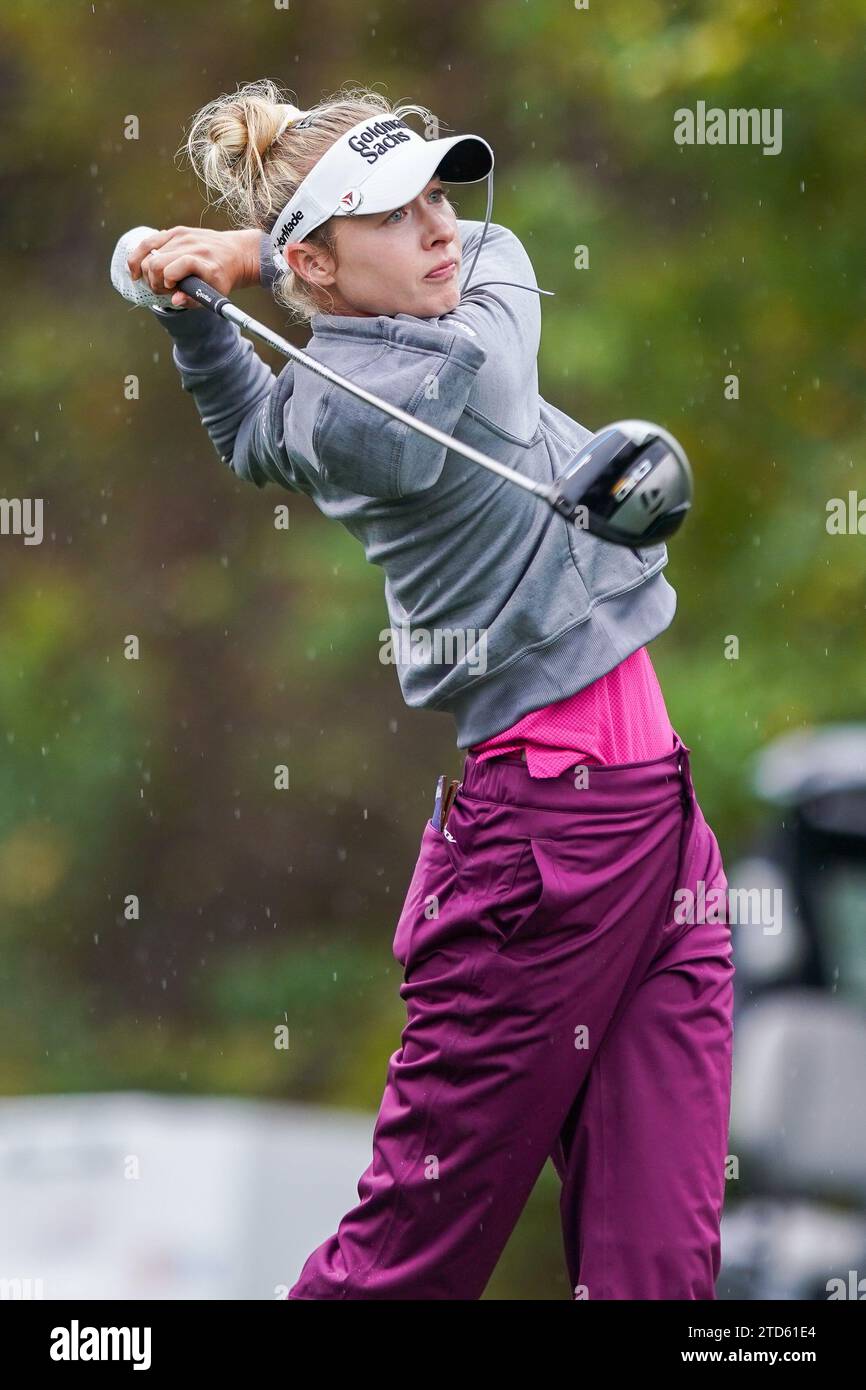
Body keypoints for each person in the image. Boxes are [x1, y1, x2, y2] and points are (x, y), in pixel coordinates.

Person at [128, 79, 735, 1301]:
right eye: (396, 215)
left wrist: (198, 315)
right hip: (545, 860)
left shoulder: (317, 398)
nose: (444, 227)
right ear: (320, 260)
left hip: (659, 832)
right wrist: (253, 258)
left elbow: (252, 435)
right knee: (401, 1268)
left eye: (438, 195)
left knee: (659, 1271)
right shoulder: (437, 378)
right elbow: (504, 257)